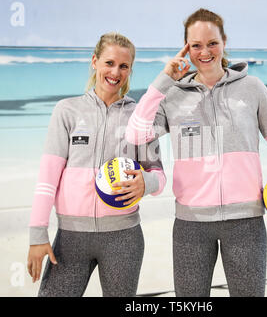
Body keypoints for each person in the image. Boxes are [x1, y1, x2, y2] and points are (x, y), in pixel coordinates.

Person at [126, 8, 267, 297]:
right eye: (195, 45)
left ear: (224, 43)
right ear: (186, 48)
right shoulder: (172, 96)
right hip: (191, 226)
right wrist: (163, 80)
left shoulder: (252, 88)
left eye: (212, 43)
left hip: (246, 223)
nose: (204, 51)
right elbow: (135, 135)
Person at [27, 32, 166, 297]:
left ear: (130, 71)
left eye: (124, 66)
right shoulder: (66, 111)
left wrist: (145, 183)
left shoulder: (139, 117)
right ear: (95, 61)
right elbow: (47, 179)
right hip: (70, 239)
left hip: (123, 238)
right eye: (109, 63)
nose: (116, 72)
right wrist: (37, 235)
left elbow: (159, 176)